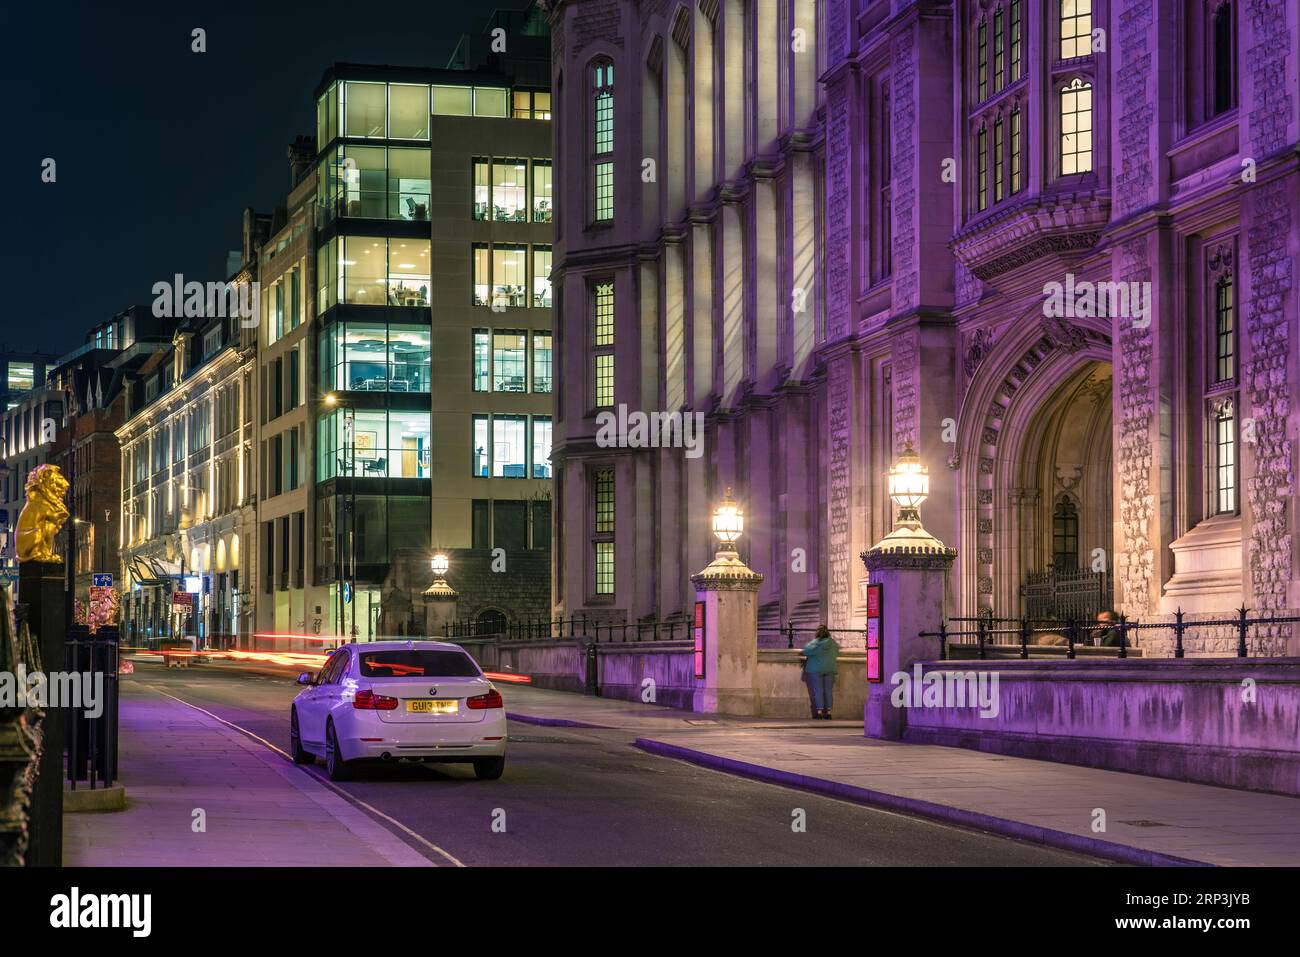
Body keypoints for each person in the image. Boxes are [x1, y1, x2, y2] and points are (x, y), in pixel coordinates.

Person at [799, 625, 840, 719]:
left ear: (817, 633)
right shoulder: (833, 643)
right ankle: (829, 712)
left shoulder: (815, 643)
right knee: (828, 691)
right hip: (830, 669)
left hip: (816, 670)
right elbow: (837, 651)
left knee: (818, 691)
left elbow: (806, 651)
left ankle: (819, 712)